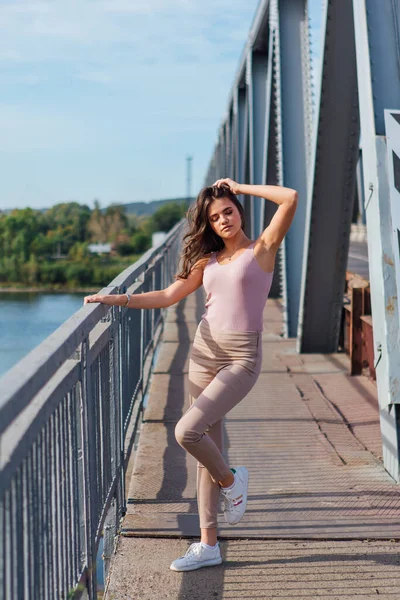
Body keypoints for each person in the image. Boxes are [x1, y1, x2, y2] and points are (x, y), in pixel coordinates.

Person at [84, 178, 297, 572]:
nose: (222, 221)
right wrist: (119, 298)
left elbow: (290, 198)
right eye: (214, 218)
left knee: (187, 432)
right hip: (202, 353)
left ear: (239, 210)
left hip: (241, 358)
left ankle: (233, 481)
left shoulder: (261, 250)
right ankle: (208, 544)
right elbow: (168, 296)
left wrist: (240, 186)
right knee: (203, 449)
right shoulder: (207, 262)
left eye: (228, 211)